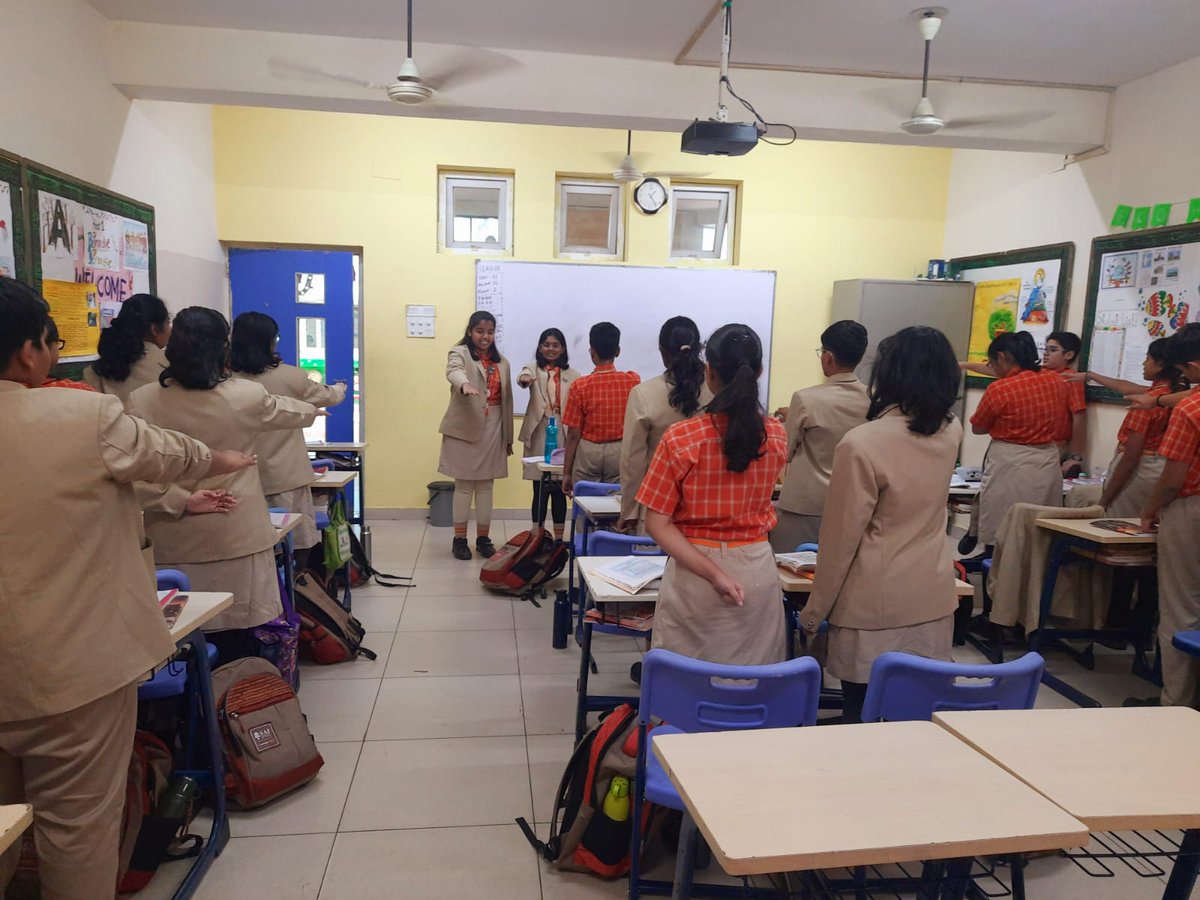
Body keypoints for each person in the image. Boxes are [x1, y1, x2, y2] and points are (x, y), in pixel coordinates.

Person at [0, 276, 254, 900]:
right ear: (31, 350)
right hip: (67, 670)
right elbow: (159, 455)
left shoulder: (125, 398)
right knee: (76, 831)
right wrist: (212, 462)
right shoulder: (79, 414)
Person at [127, 307, 318, 661]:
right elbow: (292, 410)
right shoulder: (246, 396)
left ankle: (188, 715)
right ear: (223, 348)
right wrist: (315, 407)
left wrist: (180, 499)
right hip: (237, 532)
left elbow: (132, 475)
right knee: (243, 640)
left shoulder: (142, 401)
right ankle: (242, 706)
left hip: (173, 537)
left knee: (178, 643)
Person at [800, 326, 964, 724]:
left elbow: (840, 541)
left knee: (864, 716)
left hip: (873, 603)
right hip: (933, 591)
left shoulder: (863, 443)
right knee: (915, 715)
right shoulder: (951, 429)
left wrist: (813, 612)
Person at [635, 323, 788, 666]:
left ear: (710, 373)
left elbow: (657, 525)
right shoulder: (776, 435)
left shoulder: (681, 438)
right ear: (759, 371)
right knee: (752, 682)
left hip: (695, 572)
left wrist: (715, 574)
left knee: (685, 684)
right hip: (756, 568)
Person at [230, 312, 347, 555]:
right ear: (271, 341)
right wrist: (340, 388)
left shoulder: (223, 379)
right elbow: (327, 396)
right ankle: (295, 590)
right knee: (293, 544)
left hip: (236, 478)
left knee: (250, 547)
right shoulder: (290, 376)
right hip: (285, 476)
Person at [1138, 326, 1200, 708]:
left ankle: (1176, 705)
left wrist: (1149, 510)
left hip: (1191, 509)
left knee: (1180, 608)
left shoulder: (1189, 409)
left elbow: (1174, 476)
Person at [771, 320, 870, 551]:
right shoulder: (874, 398)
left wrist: (790, 419)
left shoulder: (806, 398)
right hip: (852, 502)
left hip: (805, 505)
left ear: (828, 356)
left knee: (791, 572)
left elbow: (785, 451)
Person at [968, 331, 1070, 552]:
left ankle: (998, 584)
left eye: (992, 363)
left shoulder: (1000, 388)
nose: (992, 369)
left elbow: (978, 427)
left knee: (1004, 533)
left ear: (1003, 357)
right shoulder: (1056, 381)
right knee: (1038, 534)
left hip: (1010, 465)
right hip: (1047, 463)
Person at [618, 316, 710, 532]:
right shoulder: (718, 391)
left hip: (656, 507)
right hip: (707, 507)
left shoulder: (643, 394)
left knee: (653, 566)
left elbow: (633, 460)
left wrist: (629, 510)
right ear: (698, 348)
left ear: (661, 350)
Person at [1076, 339, 1183, 516]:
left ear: (1160, 365)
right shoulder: (1175, 394)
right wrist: (1091, 376)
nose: (1143, 363)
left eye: (1147, 358)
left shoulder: (1144, 404)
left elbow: (1130, 459)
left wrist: (1104, 501)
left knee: (1120, 526)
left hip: (1139, 471)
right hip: (1162, 470)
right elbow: (1127, 387)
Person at [438, 310, 513, 560]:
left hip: (493, 427)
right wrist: (464, 384)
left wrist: (508, 438)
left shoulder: (502, 361)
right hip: (465, 428)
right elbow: (453, 371)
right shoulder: (459, 353)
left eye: (490, 332)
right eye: (480, 331)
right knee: (463, 485)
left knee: (485, 486)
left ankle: (483, 538)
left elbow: (508, 401)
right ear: (470, 331)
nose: (485, 336)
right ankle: (459, 539)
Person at [561, 321, 640, 495]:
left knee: (585, 503)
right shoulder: (632, 381)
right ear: (618, 351)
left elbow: (573, 434)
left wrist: (566, 472)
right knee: (616, 503)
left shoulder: (579, 386)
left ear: (592, 352)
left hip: (589, 452)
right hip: (620, 450)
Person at [517, 327, 579, 540]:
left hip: (563, 430)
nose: (550, 349)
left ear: (562, 349)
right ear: (540, 347)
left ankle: (559, 540)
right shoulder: (533, 368)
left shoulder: (573, 375)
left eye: (555, 345)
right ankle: (537, 536)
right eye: (546, 345)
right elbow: (523, 376)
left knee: (560, 486)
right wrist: (525, 379)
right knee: (540, 486)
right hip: (540, 429)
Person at [82, 292, 171, 402]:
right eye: (168, 322)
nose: (170, 330)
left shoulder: (94, 371)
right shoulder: (170, 368)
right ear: (154, 329)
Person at [1042, 331, 1088, 476]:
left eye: (1053, 350)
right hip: (1030, 444)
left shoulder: (1071, 379)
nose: (1046, 354)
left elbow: (1079, 418)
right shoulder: (1037, 374)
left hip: (1055, 446)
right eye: (1046, 349)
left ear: (1068, 355)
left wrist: (1076, 457)